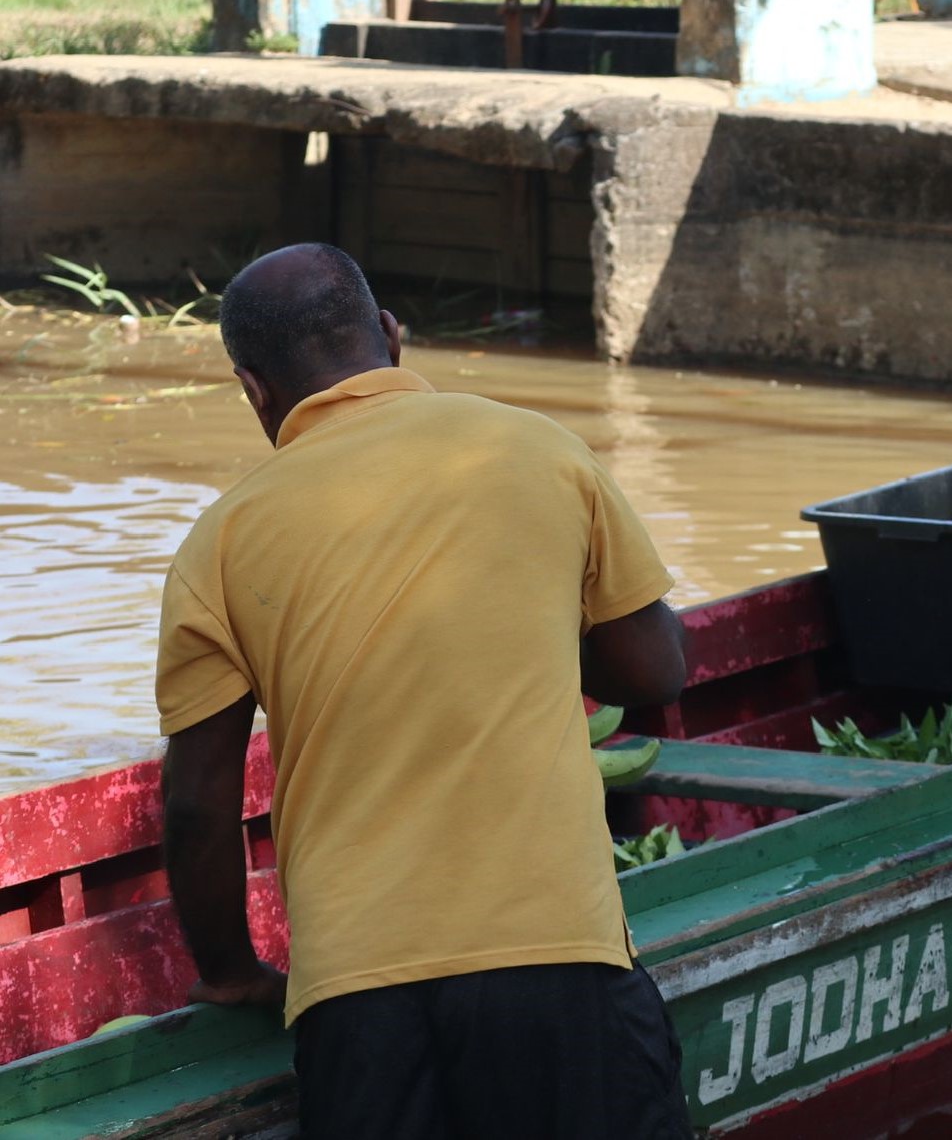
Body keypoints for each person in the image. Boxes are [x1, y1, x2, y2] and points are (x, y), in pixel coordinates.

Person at [156, 243, 693, 1139]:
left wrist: (232, 970)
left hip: (357, 1001)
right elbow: (654, 672)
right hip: (559, 963)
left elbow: (198, 807)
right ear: (394, 338)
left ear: (252, 389)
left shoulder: (219, 542)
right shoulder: (537, 450)